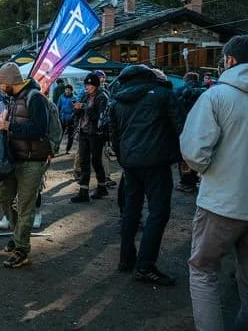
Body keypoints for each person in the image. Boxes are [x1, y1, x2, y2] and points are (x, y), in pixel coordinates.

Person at [181, 35, 248, 330]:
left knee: (202, 269)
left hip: (221, 201)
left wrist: (209, 170)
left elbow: (195, 152)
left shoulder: (216, 96)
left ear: (230, 60)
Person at [109, 64, 184, 286]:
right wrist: (184, 158)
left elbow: (113, 134)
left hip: (131, 163)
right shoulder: (163, 94)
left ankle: (126, 259)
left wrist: (123, 158)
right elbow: (181, 127)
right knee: (158, 213)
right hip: (156, 162)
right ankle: (145, 266)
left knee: (131, 210)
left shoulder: (118, 99)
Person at [0, 62, 51, 268]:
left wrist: (11, 126)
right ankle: (18, 234)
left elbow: (40, 129)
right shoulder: (13, 97)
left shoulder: (35, 98)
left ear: (10, 82)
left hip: (32, 162)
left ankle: (22, 250)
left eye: (1, 83)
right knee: (3, 198)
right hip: (13, 159)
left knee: (26, 206)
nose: (0, 87)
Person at [70, 73, 110, 203]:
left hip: (96, 134)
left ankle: (102, 187)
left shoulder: (102, 97)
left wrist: (85, 108)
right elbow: (78, 115)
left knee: (96, 161)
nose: (87, 87)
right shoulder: (86, 96)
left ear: (95, 85)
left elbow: (100, 117)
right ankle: (83, 192)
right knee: (84, 162)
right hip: (84, 133)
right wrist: (77, 108)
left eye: (89, 85)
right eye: (86, 85)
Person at [173, 71, 205, 194]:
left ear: (185, 80)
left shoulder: (179, 91)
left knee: (184, 157)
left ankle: (186, 182)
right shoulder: (205, 91)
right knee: (198, 154)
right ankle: (196, 178)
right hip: (201, 128)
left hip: (185, 128)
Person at [56, 84, 76, 155]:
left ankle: (68, 149)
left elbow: (75, 109)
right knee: (60, 134)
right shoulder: (61, 97)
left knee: (70, 135)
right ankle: (56, 148)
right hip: (62, 117)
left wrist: (72, 116)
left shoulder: (74, 98)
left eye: (69, 90)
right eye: (66, 90)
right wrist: (58, 115)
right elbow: (58, 106)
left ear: (71, 91)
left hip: (70, 118)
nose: (67, 91)